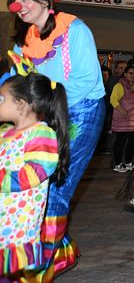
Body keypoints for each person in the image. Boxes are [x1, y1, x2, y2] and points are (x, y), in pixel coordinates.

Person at [4, 0, 106, 280]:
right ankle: (59, 253)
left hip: (81, 113)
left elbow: (86, 80)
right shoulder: (24, 41)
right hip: (45, 116)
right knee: (36, 188)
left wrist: (43, 105)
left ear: (44, 0)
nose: (16, 5)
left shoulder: (75, 30)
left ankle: (39, 267)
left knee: (57, 185)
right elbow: (19, 86)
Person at [0, 73, 69, 282]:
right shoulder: (5, 132)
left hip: (17, 223)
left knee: (10, 272)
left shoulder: (41, 134)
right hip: (3, 217)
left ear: (21, 104)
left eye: (2, 99)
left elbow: (33, 173)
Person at [110, 62, 134, 172]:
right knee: (120, 142)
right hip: (123, 120)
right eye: (130, 73)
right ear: (125, 74)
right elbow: (113, 100)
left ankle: (128, 161)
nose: (132, 75)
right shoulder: (120, 85)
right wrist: (122, 111)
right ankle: (118, 163)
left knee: (133, 142)